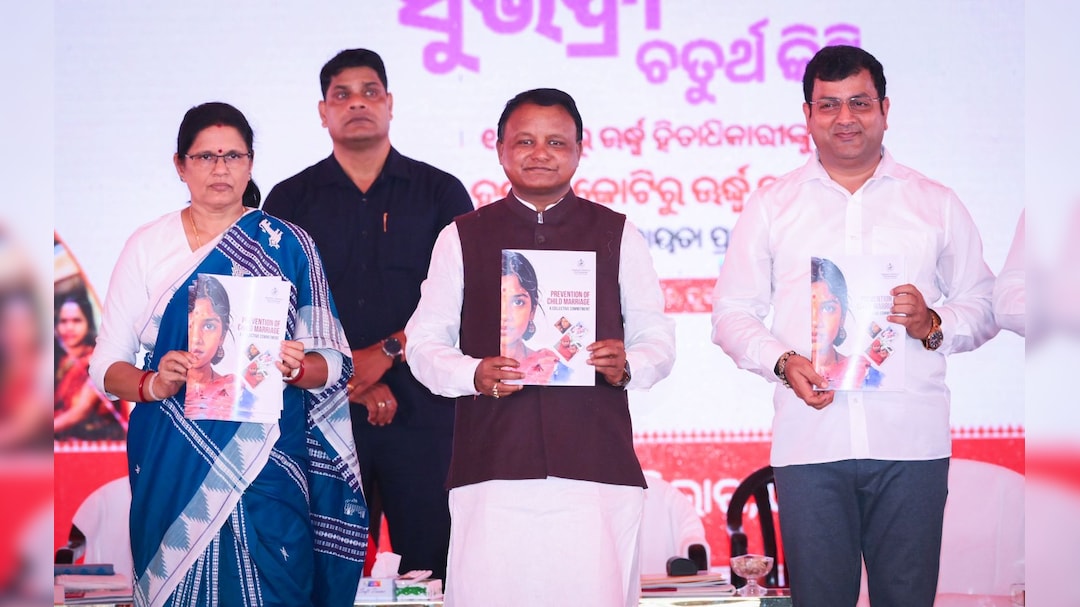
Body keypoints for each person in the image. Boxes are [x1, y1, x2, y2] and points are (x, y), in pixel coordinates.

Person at [711, 46, 997, 607]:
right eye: (829, 105)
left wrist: (932, 322)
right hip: (811, 443)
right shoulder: (772, 205)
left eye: (860, 103)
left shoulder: (935, 203)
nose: (845, 118)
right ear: (807, 115)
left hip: (910, 443)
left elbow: (984, 304)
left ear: (885, 109)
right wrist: (782, 362)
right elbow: (731, 313)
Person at [405, 88, 676, 607]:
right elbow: (423, 343)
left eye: (556, 141)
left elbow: (657, 338)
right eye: (525, 141)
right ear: (500, 149)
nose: (540, 153)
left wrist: (628, 365)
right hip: (493, 465)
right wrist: (473, 374)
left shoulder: (618, 233)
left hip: (595, 469)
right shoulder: (461, 236)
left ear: (579, 149)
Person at [88, 102, 367, 607]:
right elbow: (105, 365)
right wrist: (154, 382)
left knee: (277, 586)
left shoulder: (289, 245)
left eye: (233, 156)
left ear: (251, 163)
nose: (220, 168)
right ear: (180, 165)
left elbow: (334, 365)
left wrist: (297, 367)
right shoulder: (148, 245)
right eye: (205, 156)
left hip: (268, 458)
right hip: (173, 454)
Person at [262, 48, 472, 581]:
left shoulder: (439, 192)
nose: (357, 103)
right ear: (323, 111)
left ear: (390, 103)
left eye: (369, 92)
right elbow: (273, 310)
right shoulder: (290, 200)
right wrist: (350, 379)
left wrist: (386, 353)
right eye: (342, 94)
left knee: (434, 571)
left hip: (424, 414)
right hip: (319, 415)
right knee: (325, 575)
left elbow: (464, 298)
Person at [54, 293, 127, 440]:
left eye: (76, 321)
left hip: (96, 444)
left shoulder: (96, 360)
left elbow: (80, 412)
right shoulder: (58, 360)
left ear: (88, 323)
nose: (69, 327)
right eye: (63, 321)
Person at [809, 257, 879, 390]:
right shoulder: (782, 367)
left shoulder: (862, 372)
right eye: (806, 308)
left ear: (843, 317)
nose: (815, 321)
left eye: (828, 308)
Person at [500, 250, 562, 384]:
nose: (505, 315)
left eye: (517, 302)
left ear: (532, 310)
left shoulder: (549, 368)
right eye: (496, 301)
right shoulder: (466, 365)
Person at [183, 275, 239, 414]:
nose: (196, 338)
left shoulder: (233, 390)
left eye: (208, 326)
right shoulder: (161, 381)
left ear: (222, 336)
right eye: (190, 325)